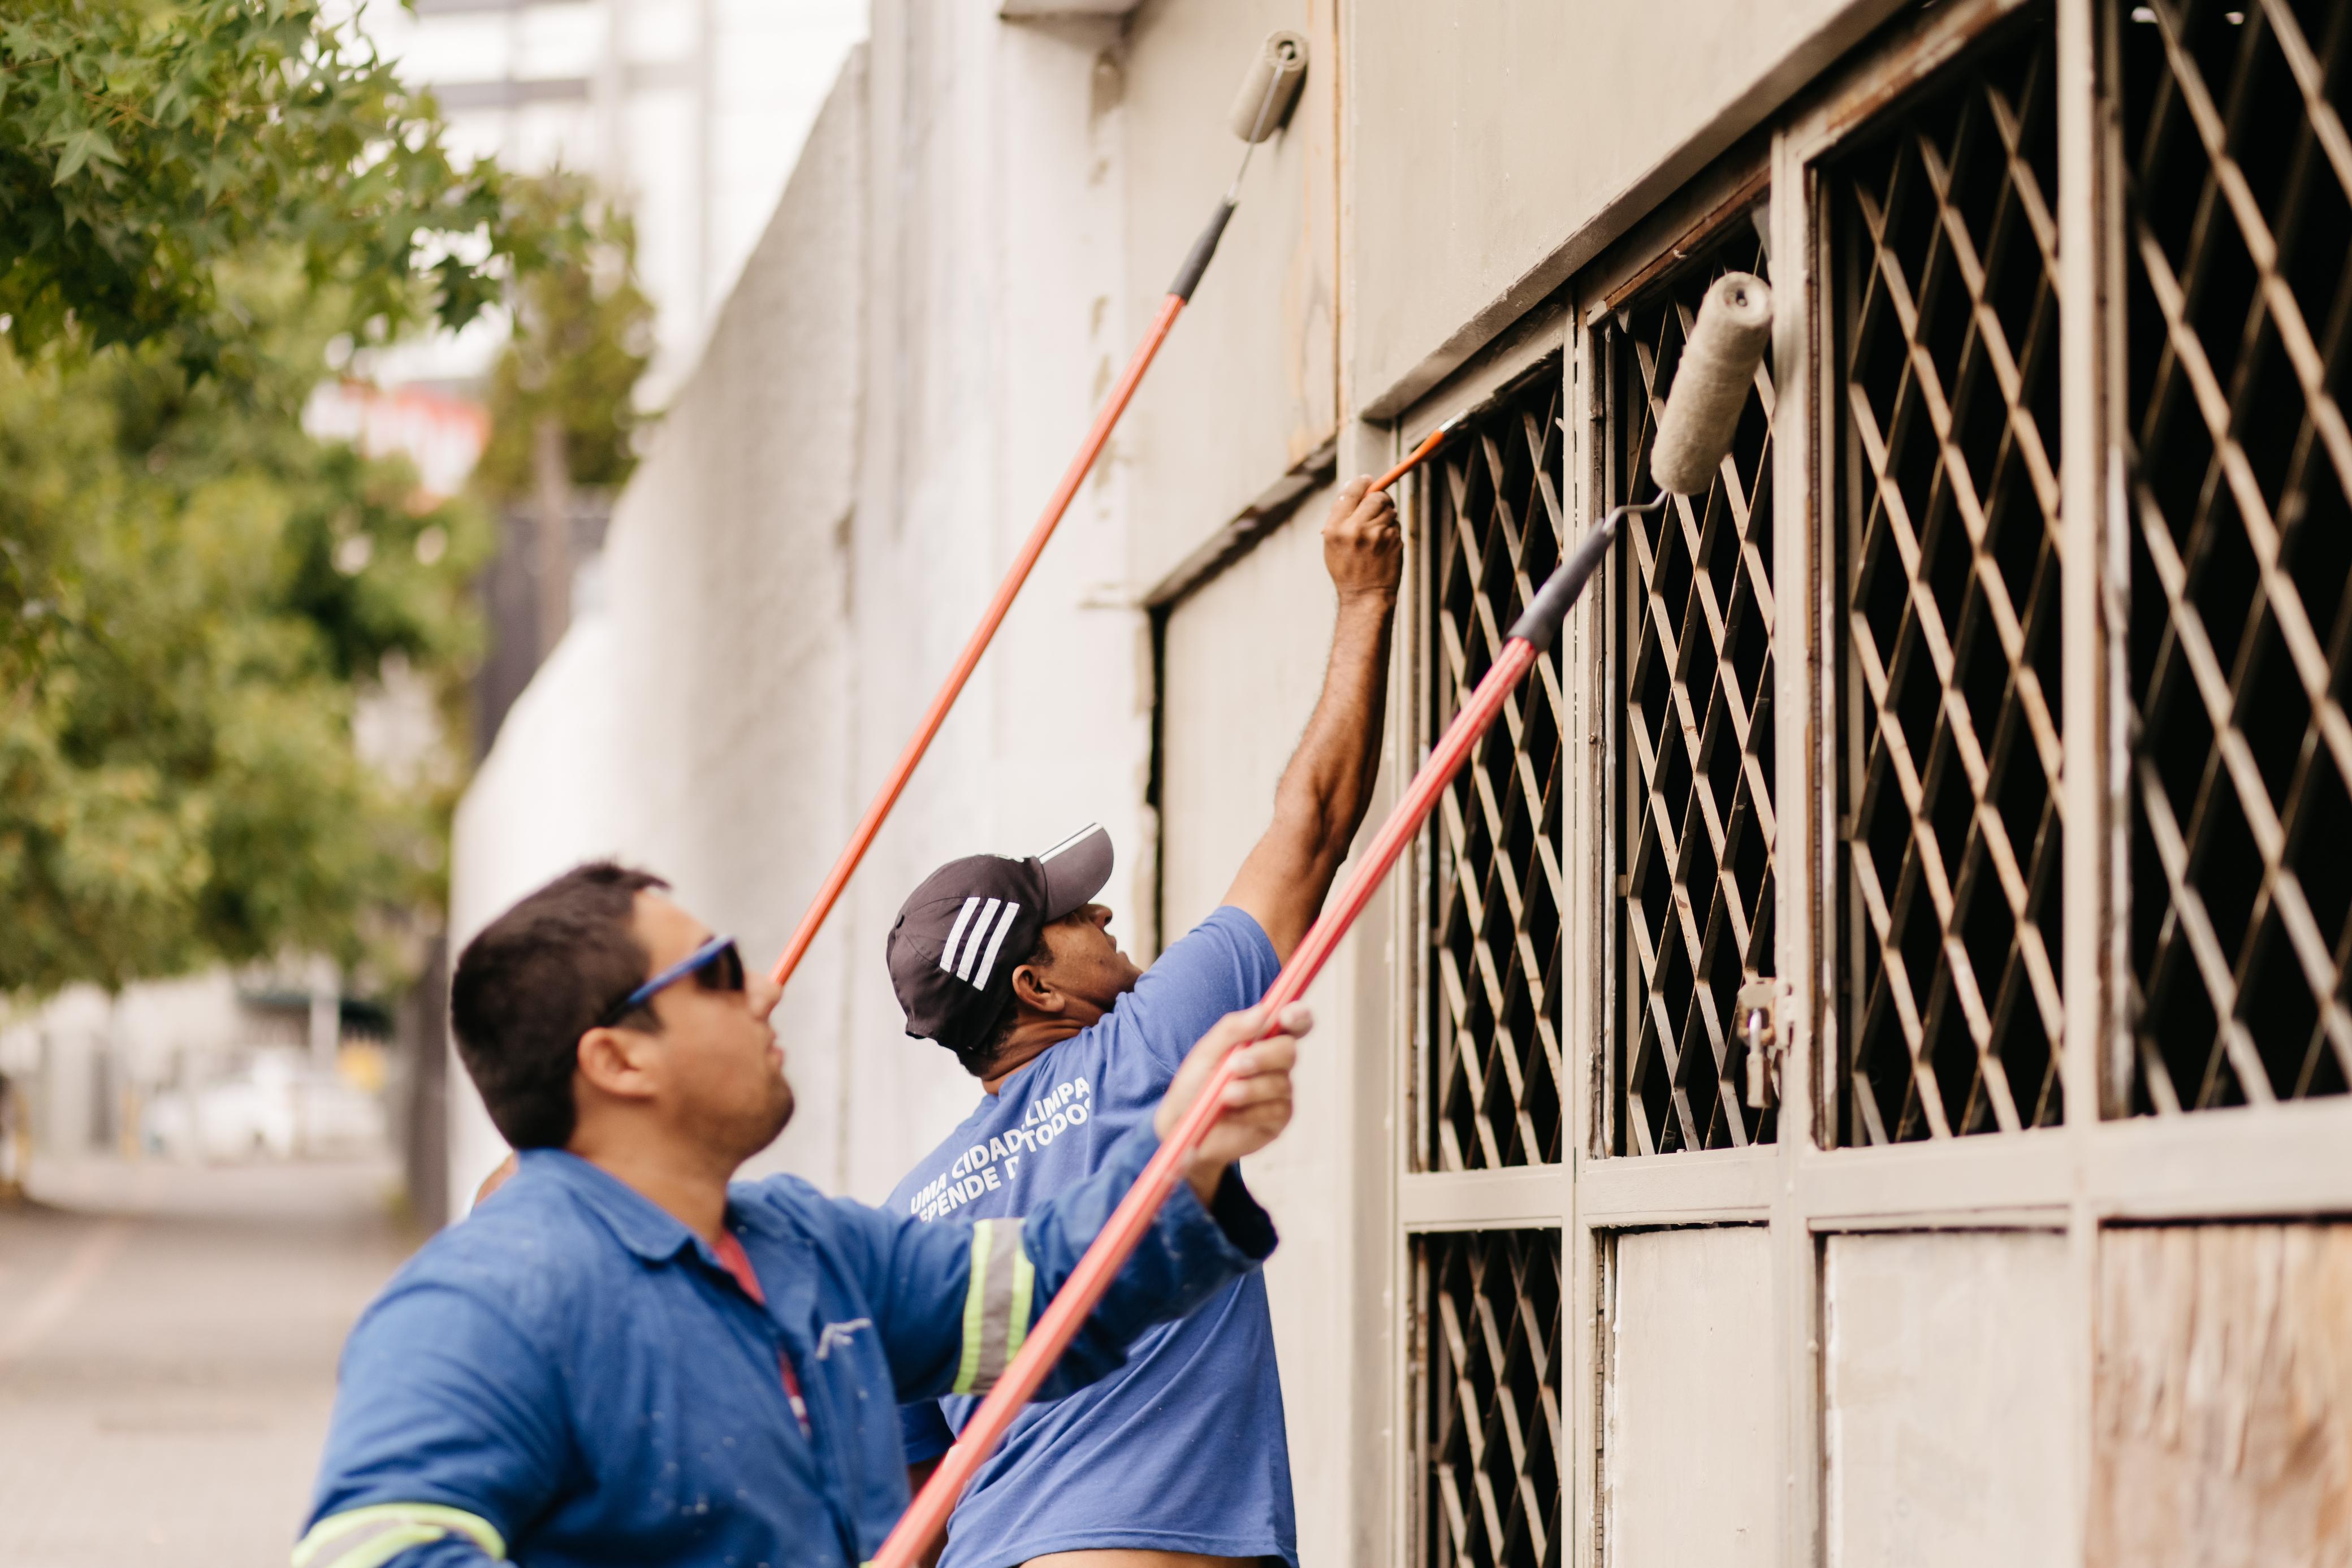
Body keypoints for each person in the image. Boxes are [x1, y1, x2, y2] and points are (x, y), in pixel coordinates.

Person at [296, 863, 1309, 1568]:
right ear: (617, 1059)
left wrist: (1186, 1158)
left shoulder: (811, 1248)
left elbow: (1046, 1297)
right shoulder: (474, 1307)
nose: (771, 990)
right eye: (722, 973)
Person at [882, 476, 1402, 1568]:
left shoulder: (909, 1217)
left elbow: (911, 1502)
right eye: (1071, 915)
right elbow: (1311, 826)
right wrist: (1362, 597)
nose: (1105, 911)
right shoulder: (1151, 1043)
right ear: (1035, 987)